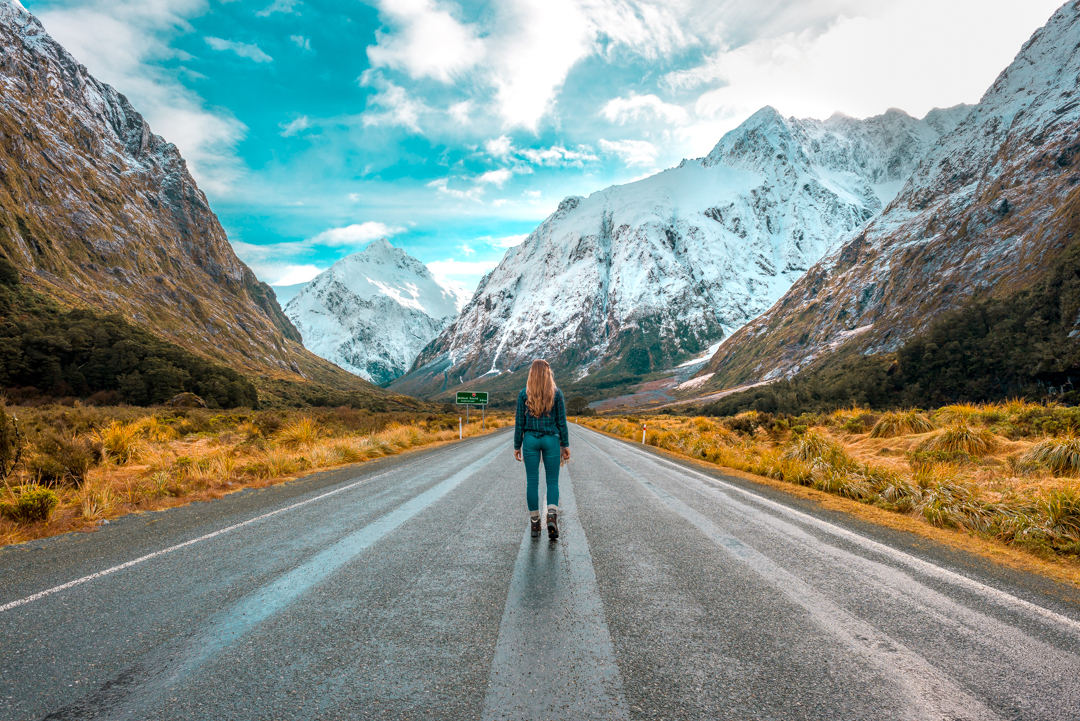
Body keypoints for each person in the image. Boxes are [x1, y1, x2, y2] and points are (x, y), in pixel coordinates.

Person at [513, 359, 570, 540]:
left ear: (531, 374)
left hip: (530, 440)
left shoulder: (523, 394)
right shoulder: (556, 394)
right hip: (551, 439)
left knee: (532, 482)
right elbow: (562, 422)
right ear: (548, 373)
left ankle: (535, 524)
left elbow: (519, 424)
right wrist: (565, 445)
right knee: (552, 481)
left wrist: (517, 446)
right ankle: (552, 516)